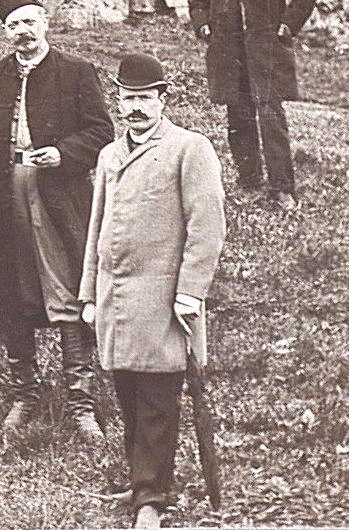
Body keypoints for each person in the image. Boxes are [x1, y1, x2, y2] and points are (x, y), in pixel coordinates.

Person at [0, 0, 113, 445]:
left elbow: (101, 132)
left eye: (30, 21)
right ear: (6, 32)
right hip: (8, 199)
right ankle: (23, 393)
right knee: (14, 294)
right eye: (14, 25)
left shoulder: (75, 71)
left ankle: (81, 400)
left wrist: (64, 153)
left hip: (59, 200)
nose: (23, 31)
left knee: (67, 289)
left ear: (45, 22)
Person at [80, 52, 227, 530]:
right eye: (128, 98)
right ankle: (144, 482)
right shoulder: (108, 155)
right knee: (127, 397)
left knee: (159, 402)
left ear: (163, 99)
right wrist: (87, 293)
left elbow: (206, 227)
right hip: (115, 302)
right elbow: (96, 227)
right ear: (118, 101)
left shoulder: (190, 149)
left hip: (163, 303)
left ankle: (152, 499)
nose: (136, 107)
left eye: (145, 98)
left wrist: (190, 293)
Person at [187, 0, 318, 212]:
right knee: (238, 114)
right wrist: (203, 25)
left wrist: (287, 26)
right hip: (229, 50)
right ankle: (249, 180)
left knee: (270, 115)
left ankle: (282, 187)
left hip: (266, 48)